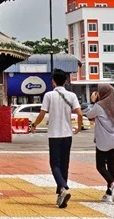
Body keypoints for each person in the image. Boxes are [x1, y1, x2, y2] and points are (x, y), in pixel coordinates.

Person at [30, 68, 83, 208]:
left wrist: (34, 125)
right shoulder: (72, 95)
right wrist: (78, 127)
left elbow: (42, 114)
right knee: (65, 164)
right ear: (65, 81)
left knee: (55, 164)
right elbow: (79, 113)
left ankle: (63, 187)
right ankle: (61, 193)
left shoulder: (49, 95)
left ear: (53, 81)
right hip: (67, 134)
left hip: (54, 134)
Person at [84, 82, 114, 203]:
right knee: (112, 165)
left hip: (103, 140)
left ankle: (112, 184)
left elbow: (89, 115)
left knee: (100, 166)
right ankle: (109, 193)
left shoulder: (99, 105)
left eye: (99, 92)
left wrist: (93, 101)